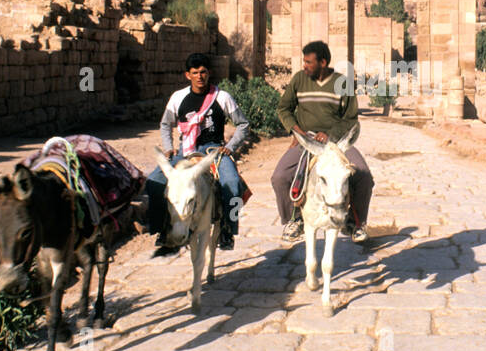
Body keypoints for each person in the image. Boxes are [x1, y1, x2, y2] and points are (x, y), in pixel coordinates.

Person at [144, 53, 249, 252]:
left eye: (203, 72)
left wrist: (231, 147)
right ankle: (162, 229)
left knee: (233, 185)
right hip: (185, 151)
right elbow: (165, 124)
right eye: (195, 73)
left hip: (214, 151)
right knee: (154, 181)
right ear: (187, 75)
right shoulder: (178, 97)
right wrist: (168, 147)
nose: (200, 76)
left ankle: (228, 230)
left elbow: (243, 125)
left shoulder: (222, 97)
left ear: (209, 73)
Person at [271, 40, 373, 243]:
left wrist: (331, 135)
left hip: (336, 144)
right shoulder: (299, 79)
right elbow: (284, 108)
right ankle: (295, 219)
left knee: (364, 177)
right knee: (280, 177)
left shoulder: (342, 83)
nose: (304, 66)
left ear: (323, 63)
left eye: (309, 62)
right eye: (304, 61)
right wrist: (296, 130)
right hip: (306, 140)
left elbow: (351, 118)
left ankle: (356, 223)